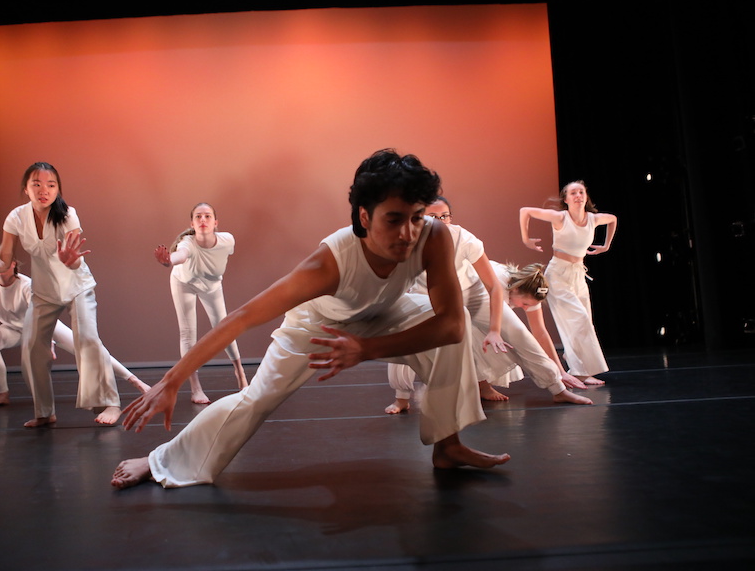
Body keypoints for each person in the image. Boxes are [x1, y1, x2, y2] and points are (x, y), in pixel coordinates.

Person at [112, 149, 510, 490]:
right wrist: (171, 381)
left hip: (384, 313)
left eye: (417, 217)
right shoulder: (328, 263)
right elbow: (242, 317)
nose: (408, 232)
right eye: (394, 219)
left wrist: (366, 349)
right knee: (256, 400)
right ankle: (160, 460)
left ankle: (448, 444)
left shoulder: (434, 236)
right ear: (365, 217)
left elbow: (452, 324)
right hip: (317, 326)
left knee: (448, 337)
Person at [0, 162, 122, 427]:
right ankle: (45, 411)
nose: (43, 190)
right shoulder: (16, 217)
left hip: (76, 286)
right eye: (36, 184)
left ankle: (111, 403)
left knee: (87, 338)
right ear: (26, 189)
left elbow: (74, 260)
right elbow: (4, 261)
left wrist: (70, 260)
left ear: (58, 189)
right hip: (44, 291)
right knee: (31, 348)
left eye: (51, 185)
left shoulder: (68, 214)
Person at [385, 198, 589, 415]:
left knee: (518, 333)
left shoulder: (464, 238)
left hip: (470, 293)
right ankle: (402, 398)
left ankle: (557, 389)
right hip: (427, 296)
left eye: (444, 215)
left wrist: (494, 329)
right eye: (433, 217)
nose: (440, 221)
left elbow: (493, 286)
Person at [0, 245, 149, 408]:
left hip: (46, 326)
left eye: (2, 261)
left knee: (90, 348)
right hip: (14, 330)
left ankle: (135, 380)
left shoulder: (26, 285)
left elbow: (40, 318)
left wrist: (47, 343)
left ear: (13, 263)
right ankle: (2, 394)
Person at [520, 180, 617, 385]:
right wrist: (526, 239)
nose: (578, 196)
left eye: (581, 192)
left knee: (584, 322)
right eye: (573, 193)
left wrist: (606, 245)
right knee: (578, 320)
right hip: (558, 275)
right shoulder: (560, 217)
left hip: (578, 275)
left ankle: (578, 364)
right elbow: (525, 211)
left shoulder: (593, 219)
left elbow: (613, 219)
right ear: (566, 199)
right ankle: (580, 372)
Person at [154, 203, 248, 404]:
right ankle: (195, 388)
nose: (203, 220)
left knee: (225, 328)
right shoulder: (187, 243)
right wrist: (168, 260)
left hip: (211, 286)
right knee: (188, 333)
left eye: (207, 216)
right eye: (198, 217)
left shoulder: (227, 240)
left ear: (215, 222)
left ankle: (240, 375)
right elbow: (181, 256)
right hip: (183, 283)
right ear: (192, 223)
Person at [470, 260, 593, 404]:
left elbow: (540, 332)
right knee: (507, 337)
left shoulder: (528, 291)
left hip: (473, 306)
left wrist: (561, 372)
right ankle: (482, 385)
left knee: (495, 338)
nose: (524, 308)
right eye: (525, 304)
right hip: (466, 294)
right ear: (515, 289)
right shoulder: (499, 283)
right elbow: (520, 336)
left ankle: (483, 386)